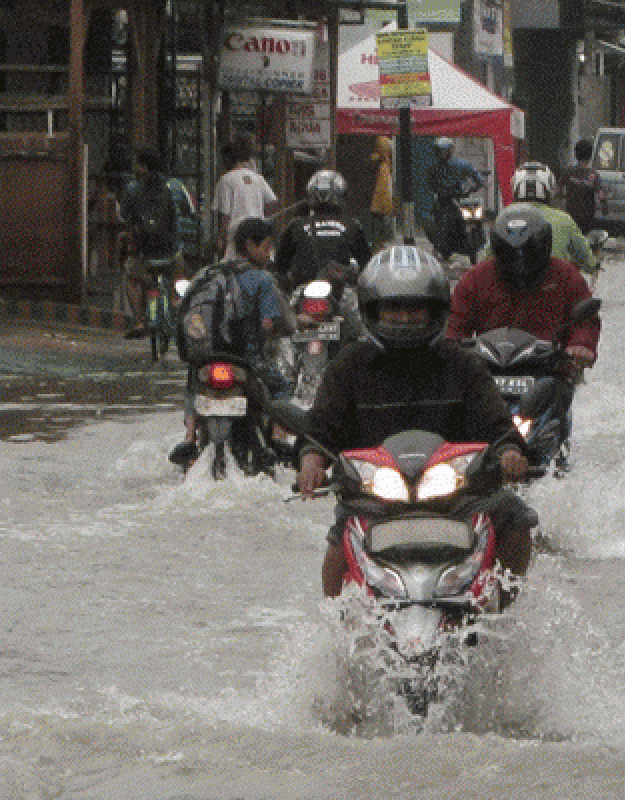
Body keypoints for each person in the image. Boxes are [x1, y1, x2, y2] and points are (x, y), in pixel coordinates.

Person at [295, 245, 537, 597]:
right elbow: (321, 431)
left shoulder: (463, 365)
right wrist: (311, 463)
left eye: (415, 308)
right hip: (374, 495)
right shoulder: (349, 366)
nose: (404, 318)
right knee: (337, 549)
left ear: (436, 310)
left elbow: (497, 427)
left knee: (516, 519)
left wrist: (510, 453)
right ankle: (340, 629)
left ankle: (501, 605)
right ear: (372, 309)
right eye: (393, 309)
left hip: (455, 494)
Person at [169, 217, 291, 466]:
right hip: (247, 359)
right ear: (250, 245)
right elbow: (269, 324)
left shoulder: (207, 273)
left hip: (206, 357)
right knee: (281, 385)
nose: (269, 255)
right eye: (267, 247)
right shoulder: (262, 279)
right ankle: (279, 438)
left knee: (193, 380)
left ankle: (190, 437)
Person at [445, 204, 600, 374]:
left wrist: (581, 345)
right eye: (510, 254)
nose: (520, 264)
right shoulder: (477, 278)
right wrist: (452, 349)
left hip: (550, 369)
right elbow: (455, 321)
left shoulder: (565, 275)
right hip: (488, 370)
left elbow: (586, 319)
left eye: (529, 253)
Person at [480, 161, 600, 275]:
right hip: (553, 292)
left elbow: (483, 262)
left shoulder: (503, 218)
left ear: (516, 189)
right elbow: (589, 263)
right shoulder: (564, 220)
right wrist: (593, 264)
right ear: (549, 190)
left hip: (509, 292)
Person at [275, 169, 372, 292]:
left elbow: (281, 266)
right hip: (340, 294)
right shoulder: (352, 226)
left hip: (303, 293)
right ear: (341, 195)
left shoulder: (296, 225)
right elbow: (367, 266)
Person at [121, 147, 178, 338]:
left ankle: (139, 321)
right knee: (176, 272)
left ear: (143, 167)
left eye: (137, 163)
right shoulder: (171, 187)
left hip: (144, 250)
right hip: (168, 250)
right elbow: (175, 219)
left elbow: (124, 217)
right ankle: (173, 306)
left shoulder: (132, 188)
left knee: (131, 277)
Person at [213, 136, 277, 262]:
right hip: (258, 236)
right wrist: (263, 220)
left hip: (236, 238)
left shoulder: (226, 180)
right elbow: (272, 202)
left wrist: (220, 239)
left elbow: (224, 215)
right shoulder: (258, 178)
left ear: (227, 160)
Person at [428, 136, 485, 261]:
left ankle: (474, 241)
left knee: (476, 218)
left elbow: (479, 180)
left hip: (462, 201)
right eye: (441, 151)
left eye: (445, 151)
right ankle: (441, 248)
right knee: (435, 220)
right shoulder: (435, 169)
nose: (443, 154)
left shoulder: (462, 165)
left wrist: (472, 188)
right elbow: (432, 184)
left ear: (450, 150)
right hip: (446, 202)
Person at [561, 138, 606, 234]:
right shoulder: (594, 175)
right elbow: (601, 195)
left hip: (570, 216)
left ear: (576, 154)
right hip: (588, 217)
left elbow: (557, 192)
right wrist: (604, 207)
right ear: (590, 155)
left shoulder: (569, 172)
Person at [369, 135, 394, 246]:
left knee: (379, 222)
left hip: (378, 202)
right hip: (378, 202)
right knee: (378, 221)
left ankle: (378, 241)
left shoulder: (384, 163)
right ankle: (377, 242)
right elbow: (383, 187)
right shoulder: (381, 163)